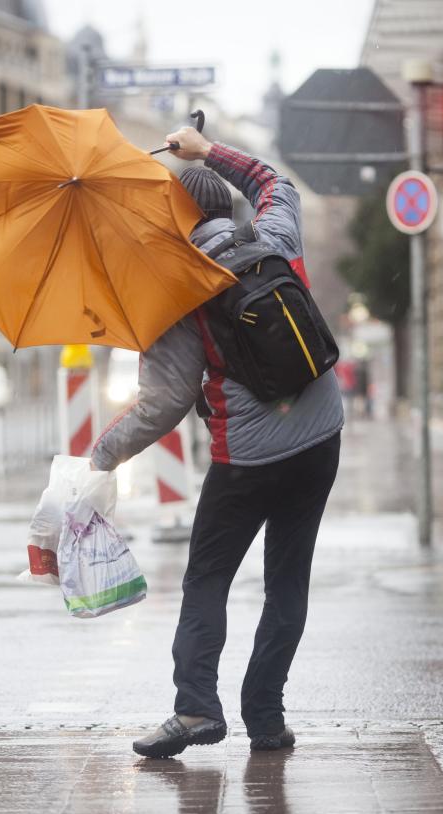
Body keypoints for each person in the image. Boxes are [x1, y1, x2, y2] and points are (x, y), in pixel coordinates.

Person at [90, 126, 344, 759]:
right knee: (288, 579)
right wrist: (208, 152)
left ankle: (197, 707)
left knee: (207, 577)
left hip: (248, 459)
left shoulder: (175, 293)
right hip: (321, 437)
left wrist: (102, 456)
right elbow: (275, 181)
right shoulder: (274, 237)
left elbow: (165, 403)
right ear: (227, 206)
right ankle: (266, 717)